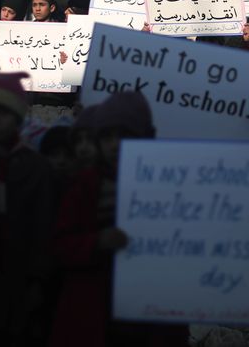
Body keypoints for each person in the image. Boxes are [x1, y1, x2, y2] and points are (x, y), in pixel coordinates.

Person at [49, 92, 185, 347]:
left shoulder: (168, 185)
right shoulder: (87, 186)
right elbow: (60, 245)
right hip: (92, 315)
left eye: (123, 135)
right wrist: (97, 242)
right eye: (107, 137)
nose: (113, 145)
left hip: (150, 316)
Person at [0, 69, 60, 346]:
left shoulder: (35, 167)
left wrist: (38, 280)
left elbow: (43, 226)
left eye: (2, 112)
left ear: (18, 117)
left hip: (17, 280)